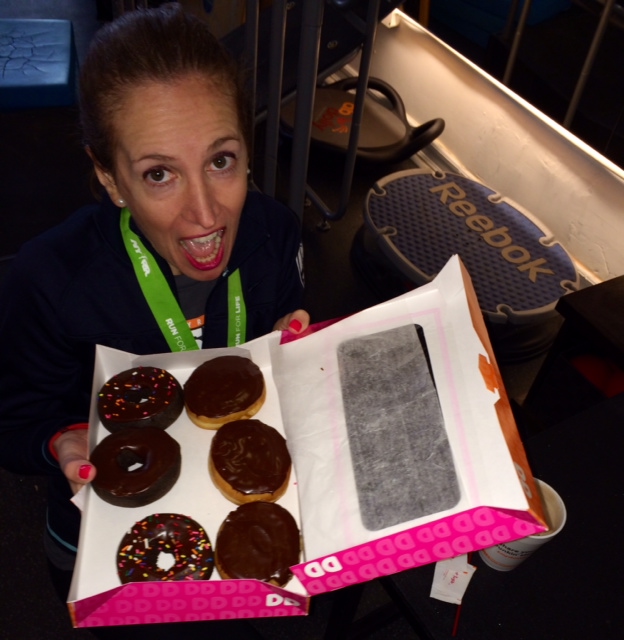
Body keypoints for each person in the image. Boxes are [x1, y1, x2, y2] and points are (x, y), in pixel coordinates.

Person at [0, 5, 308, 633]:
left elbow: (287, 318)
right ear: (110, 178)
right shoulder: (48, 279)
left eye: (221, 160)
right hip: (104, 538)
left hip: (247, 523)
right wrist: (59, 441)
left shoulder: (275, 233)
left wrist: (295, 344)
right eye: (159, 174)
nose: (206, 215)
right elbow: (11, 419)